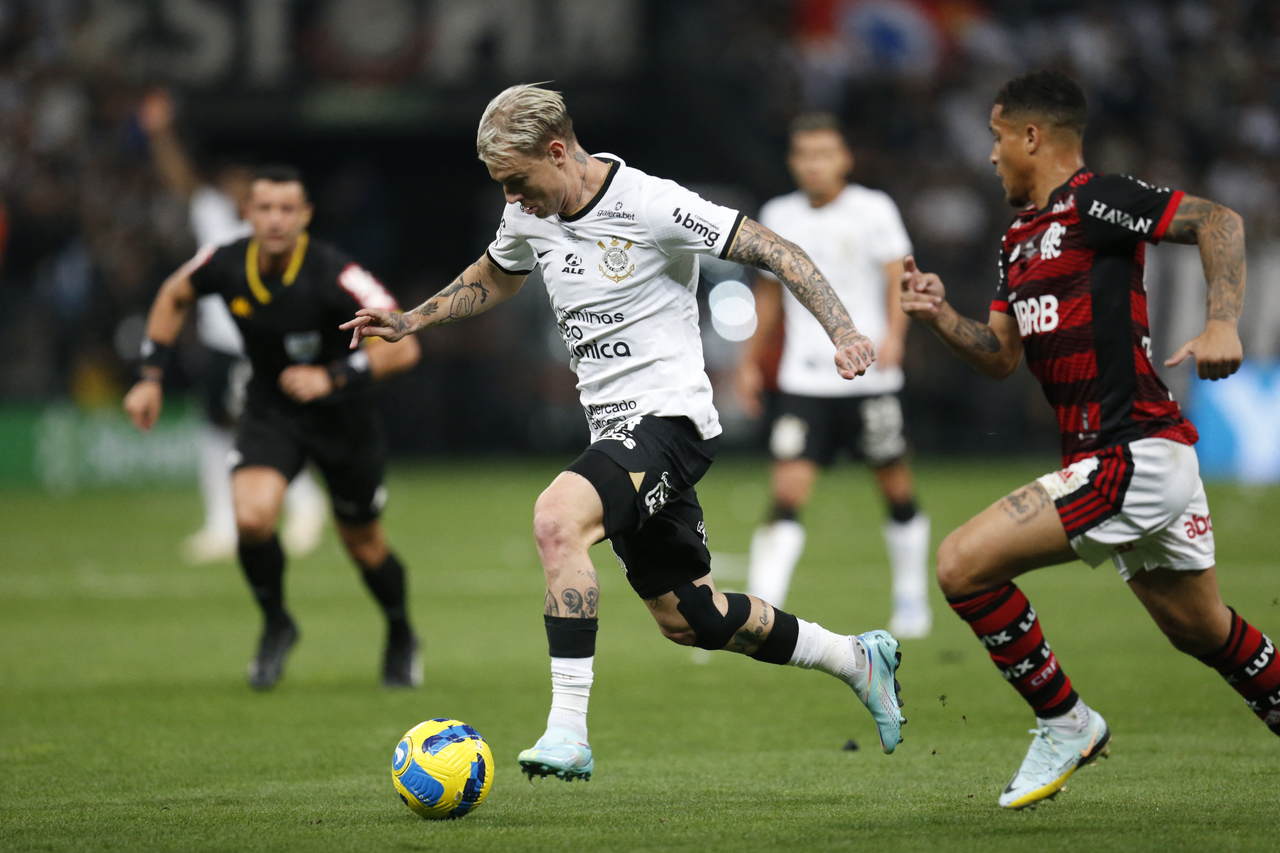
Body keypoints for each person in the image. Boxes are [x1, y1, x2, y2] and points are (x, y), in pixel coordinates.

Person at [342, 84, 907, 779]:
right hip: (614, 428)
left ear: (557, 151)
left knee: (558, 519)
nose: (513, 200)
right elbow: (498, 271)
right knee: (689, 617)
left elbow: (776, 250)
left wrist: (844, 328)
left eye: (518, 183)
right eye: (503, 188)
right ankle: (856, 657)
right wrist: (412, 319)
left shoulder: (651, 203)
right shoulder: (530, 211)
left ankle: (566, 732)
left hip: (670, 419)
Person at [900, 70, 1274, 810]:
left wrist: (1224, 320)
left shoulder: (1096, 202)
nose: (990, 156)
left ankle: (1065, 720)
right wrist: (942, 317)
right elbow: (1003, 354)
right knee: (1202, 629)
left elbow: (1219, 221)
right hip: (1133, 457)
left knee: (960, 565)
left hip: (1129, 454)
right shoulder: (1017, 240)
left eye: (997, 138)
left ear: (1032, 137)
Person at [124, 165, 423, 689]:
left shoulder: (336, 272)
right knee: (252, 518)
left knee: (364, 545)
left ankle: (400, 634)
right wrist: (150, 376)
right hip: (271, 410)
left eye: (288, 209)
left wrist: (331, 376)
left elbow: (406, 345)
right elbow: (173, 296)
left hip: (343, 419)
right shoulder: (225, 262)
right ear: (248, 213)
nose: (276, 219)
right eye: (264, 208)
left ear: (305, 216)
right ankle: (276, 624)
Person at [736, 113, 930, 637]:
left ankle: (911, 599)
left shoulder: (874, 209)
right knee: (787, 489)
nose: (814, 164)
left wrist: (896, 336)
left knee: (895, 485)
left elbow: (898, 276)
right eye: (804, 154)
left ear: (844, 158)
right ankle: (762, 609)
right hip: (805, 379)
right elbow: (770, 296)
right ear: (792, 161)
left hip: (870, 376)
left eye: (824, 153)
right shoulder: (779, 213)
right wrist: (752, 362)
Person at [137, 90, 328, 564]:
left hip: (256, 344)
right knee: (218, 429)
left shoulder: (271, 230)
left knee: (253, 429)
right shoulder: (213, 215)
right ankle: (225, 523)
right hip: (223, 343)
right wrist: (161, 134)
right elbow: (181, 180)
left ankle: (304, 503)